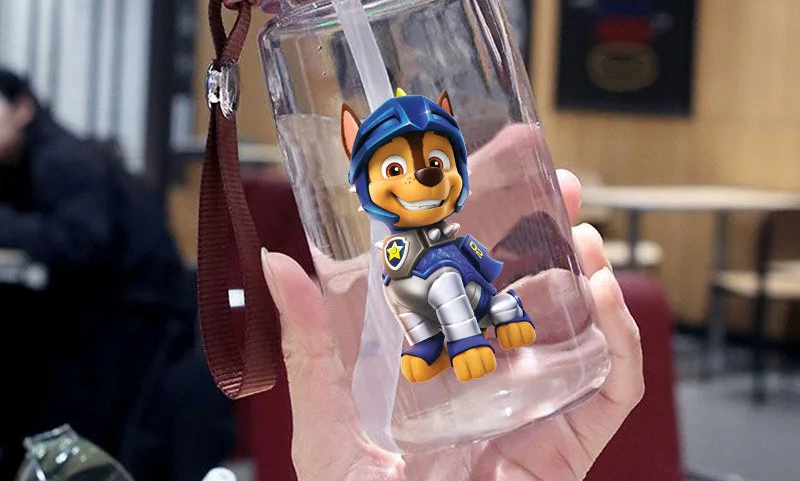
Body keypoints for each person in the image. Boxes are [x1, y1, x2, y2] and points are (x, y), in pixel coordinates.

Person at [261, 169, 644, 481]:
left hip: (468, 293)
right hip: (423, 360)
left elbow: (474, 271)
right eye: (393, 169)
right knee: (403, 296)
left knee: (457, 288)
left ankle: (485, 330)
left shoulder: (450, 243)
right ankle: (432, 346)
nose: (421, 177)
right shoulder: (395, 251)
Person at [0, 69, 234, 481]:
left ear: (22, 108)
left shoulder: (61, 159)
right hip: (116, 312)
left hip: (137, 317)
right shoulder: (29, 160)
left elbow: (82, 240)